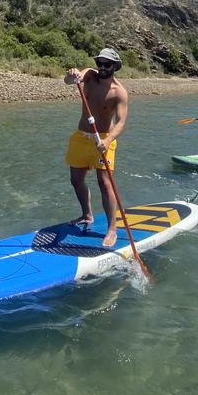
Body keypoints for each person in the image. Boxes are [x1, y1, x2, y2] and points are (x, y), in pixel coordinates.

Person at [64, 48, 128, 247]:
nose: (102, 67)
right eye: (100, 62)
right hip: (81, 137)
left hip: (104, 139)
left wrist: (108, 142)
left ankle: (112, 229)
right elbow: (71, 81)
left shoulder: (119, 92)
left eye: (106, 64)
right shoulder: (90, 75)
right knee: (76, 180)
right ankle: (87, 215)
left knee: (105, 182)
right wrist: (71, 75)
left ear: (115, 67)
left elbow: (121, 122)